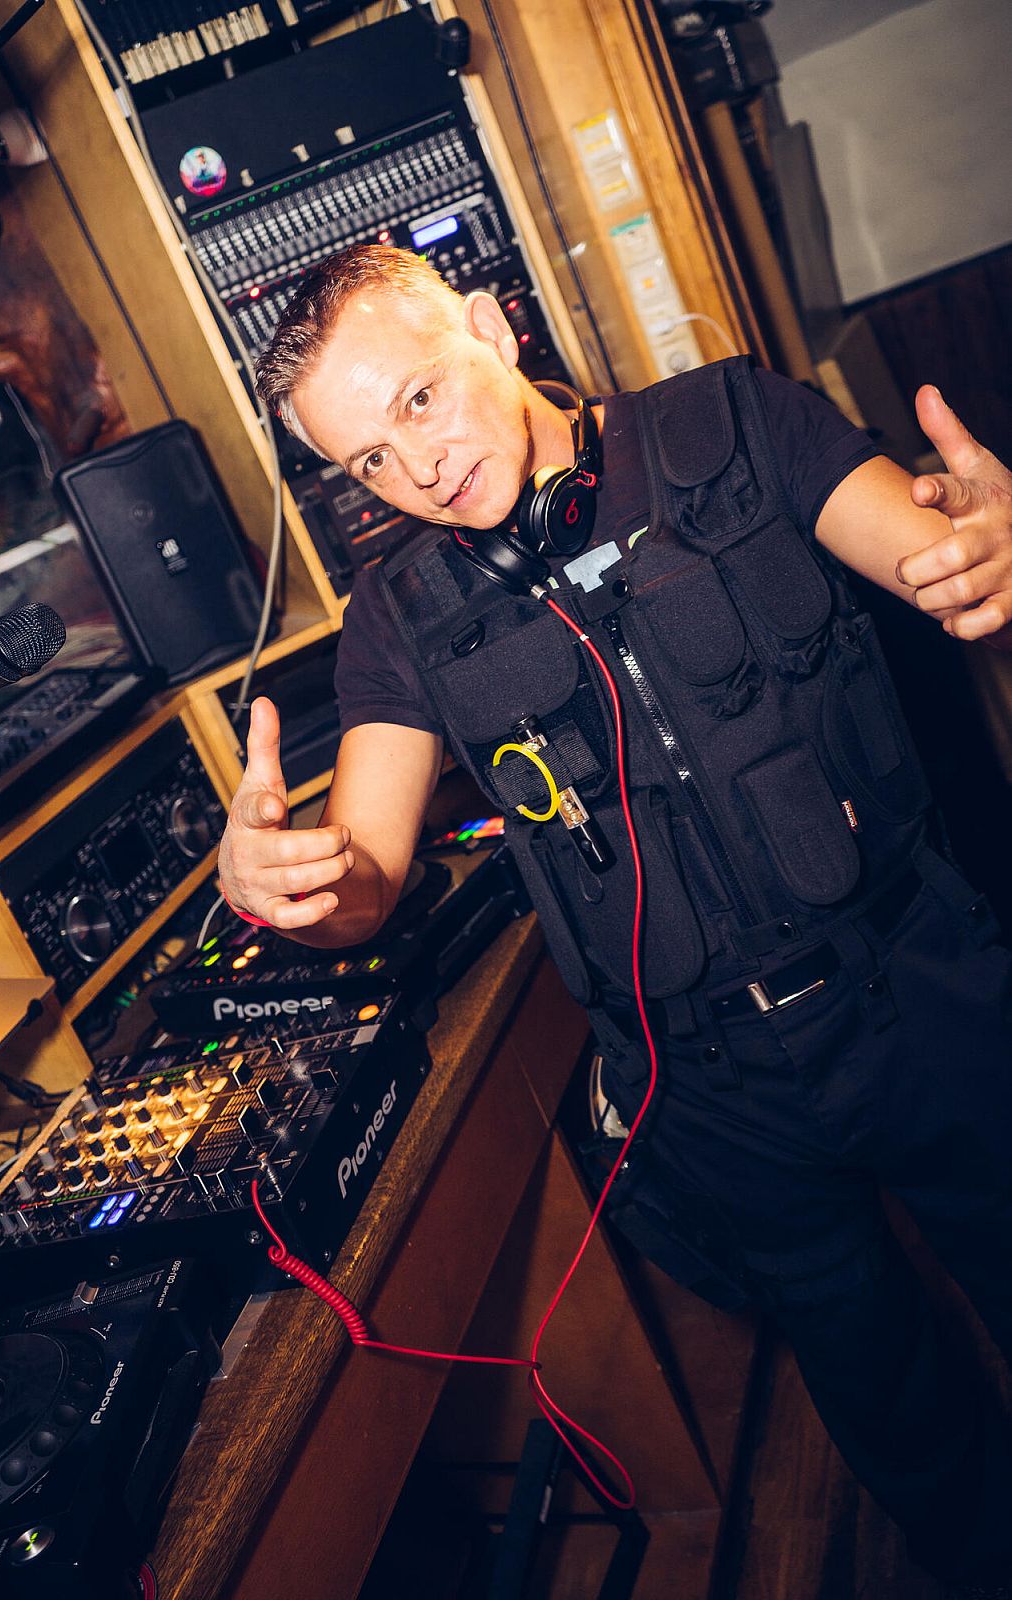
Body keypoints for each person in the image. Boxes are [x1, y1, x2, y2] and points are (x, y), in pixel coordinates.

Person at [219, 243, 1012, 1596]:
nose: (418, 472)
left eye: (419, 400)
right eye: (368, 461)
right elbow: (366, 872)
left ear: (490, 326)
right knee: (897, 1413)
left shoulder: (736, 422)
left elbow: (935, 554)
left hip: (916, 985)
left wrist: (982, 550)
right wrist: (294, 890)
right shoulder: (399, 622)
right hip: (717, 1092)